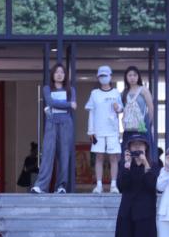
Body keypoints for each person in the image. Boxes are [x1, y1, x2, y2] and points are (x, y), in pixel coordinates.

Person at [114, 135, 160, 237]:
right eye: (134, 145)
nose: (137, 148)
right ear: (129, 148)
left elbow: (153, 185)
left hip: (146, 213)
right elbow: (121, 186)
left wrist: (146, 165)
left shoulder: (154, 165)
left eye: (140, 145)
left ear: (146, 148)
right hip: (127, 212)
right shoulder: (124, 165)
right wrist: (127, 165)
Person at [32, 64, 76, 194]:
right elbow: (50, 102)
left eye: (62, 72)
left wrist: (67, 105)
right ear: (52, 74)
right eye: (57, 72)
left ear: (65, 75)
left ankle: (61, 186)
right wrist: (68, 104)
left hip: (66, 123)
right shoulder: (47, 88)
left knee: (64, 155)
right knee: (47, 153)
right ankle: (40, 186)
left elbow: (73, 106)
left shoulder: (71, 89)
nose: (59, 74)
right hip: (51, 122)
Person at [85, 65, 123, 195]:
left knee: (113, 157)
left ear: (110, 77)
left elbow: (121, 109)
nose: (103, 78)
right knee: (99, 157)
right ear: (98, 77)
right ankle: (99, 185)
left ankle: (113, 185)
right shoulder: (94, 93)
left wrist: (118, 107)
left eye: (105, 75)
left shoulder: (116, 92)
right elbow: (91, 112)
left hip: (112, 130)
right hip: (98, 131)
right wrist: (91, 131)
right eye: (101, 76)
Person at [119, 66, 154, 155]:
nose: (132, 78)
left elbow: (151, 108)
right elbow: (122, 109)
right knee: (128, 149)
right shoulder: (124, 92)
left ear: (138, 77)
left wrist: (148, 123)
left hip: (142, 125)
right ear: (126, 77)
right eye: (130, 75)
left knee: (144, 149)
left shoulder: (144, 90)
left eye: (135, 75)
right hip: (129, 126)